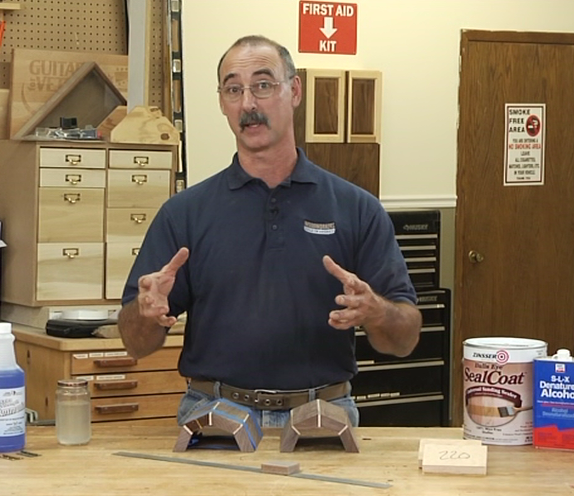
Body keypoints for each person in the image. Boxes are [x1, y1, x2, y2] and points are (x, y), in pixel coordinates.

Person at [118, 35, 422, 428]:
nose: (248, 104)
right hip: (214, 413)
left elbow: (405, 340)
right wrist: (145, 314)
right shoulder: (184, 213)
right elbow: (135, 344)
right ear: (222, 102)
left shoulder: (357, 208)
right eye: (233, 89)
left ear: (294, 91)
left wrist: (377, 311)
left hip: (322, 414)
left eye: (263, 85)